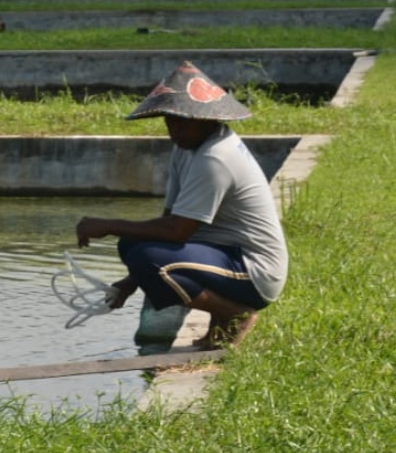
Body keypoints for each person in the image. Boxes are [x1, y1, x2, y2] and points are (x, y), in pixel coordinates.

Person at [75, 60, 289, 349]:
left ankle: (233, 314)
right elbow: (169, 221)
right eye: (169, 121)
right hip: (226, 257)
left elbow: (177, 232)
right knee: (132, 245)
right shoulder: (187, 149)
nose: (174, 130)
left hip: (254, 271)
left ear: (205, 119)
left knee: (147, 257)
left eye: (182, 122)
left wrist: (107, 225)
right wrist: (129, 282)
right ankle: (220, 325)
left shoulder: (215, 158)